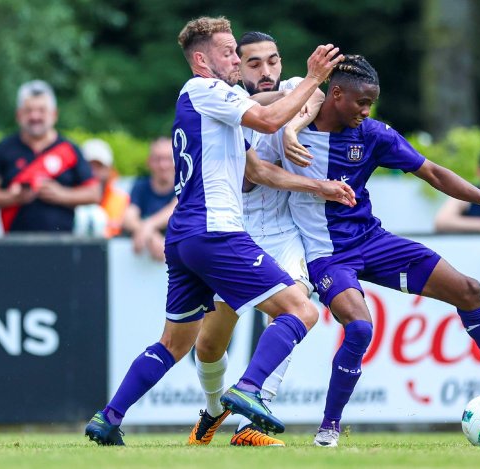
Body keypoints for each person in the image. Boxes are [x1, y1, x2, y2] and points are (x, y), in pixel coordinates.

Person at [265, 55, 480, 448]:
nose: (367, 111)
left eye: (371, 103)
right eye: (361, 102)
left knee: (469, 290)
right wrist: (292, 122)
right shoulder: (289, 121)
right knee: (359, 327)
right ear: (334, 94)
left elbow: (434, 172)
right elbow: (261, 107)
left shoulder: (373, 135)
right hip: (327, 255)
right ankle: (329, 428)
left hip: (372, 240)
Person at [84, 16, 353, 446]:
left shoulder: (215, 106)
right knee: (301, 311)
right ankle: (249, 390)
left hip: (186, 236)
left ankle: (108, 417)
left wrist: (312, 169)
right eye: (228, 52)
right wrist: (314, 77)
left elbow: (259, 163)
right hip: (217, 232)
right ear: (200, 59)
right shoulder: (205, 90)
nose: (233, 59)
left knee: (175, 342)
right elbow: (268, 120)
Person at [188, 31, 325, 447]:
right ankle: (213, 412)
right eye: (253, 63)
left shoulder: (290, 91)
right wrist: (319, 186)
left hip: (283, 233)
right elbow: (255, 174)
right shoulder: (224, 99)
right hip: (236, 233)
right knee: (209, 344)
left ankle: (253, 417)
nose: (266, 71)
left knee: (298, 305)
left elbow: (314, 97)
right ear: (237, 67)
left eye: (273, 61)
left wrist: (292, 128)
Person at [0, 80, 101, 232]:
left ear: (54, 114)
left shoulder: (69, 149)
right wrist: (10, 198)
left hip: (62, 244)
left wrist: (61, 194)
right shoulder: (3, 149)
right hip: (15, 245)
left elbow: (94, 193)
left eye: (41, 110)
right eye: (28, 111)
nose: (35, 116)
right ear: (19, 115)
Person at [122, 137, 177, 261]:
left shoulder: (185, 187)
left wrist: (147, 227)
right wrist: (151, 235)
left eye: (168, 159)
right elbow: (128, 218)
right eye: (158, 159)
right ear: (149, 162)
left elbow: (174, 209)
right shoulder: (140, 186)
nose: (163, 165)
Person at [76, 138, 130, 237]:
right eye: (88, 166)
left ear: (109, 169)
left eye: (99, 166)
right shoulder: (69, 198)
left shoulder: (121, 200)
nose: (93, 172)